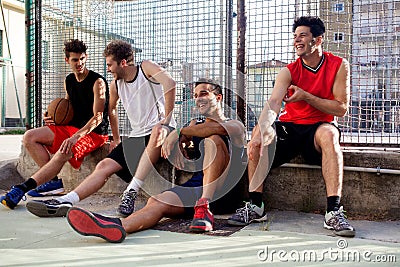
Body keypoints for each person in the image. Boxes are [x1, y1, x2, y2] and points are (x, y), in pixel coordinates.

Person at [65, 78, 246, 243]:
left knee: (212, 140)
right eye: (196, 95)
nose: (198, 99)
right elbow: (190, 138)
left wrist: (178, 132)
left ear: (219, 97)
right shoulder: (193, 127)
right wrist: (177, 143)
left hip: (223, 193)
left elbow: (217, 129)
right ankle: (118, 226)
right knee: (156, 201)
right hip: (196, 187)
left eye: (204, 94)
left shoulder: (235, 125)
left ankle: (204, 207)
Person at [227, 16, 356, 238]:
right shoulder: (288, 71)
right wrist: (260, 131)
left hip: (318, 128)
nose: (297, 40)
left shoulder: (339, 65)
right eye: (295, 36)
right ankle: (256, 206)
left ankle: (333, 212)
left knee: (330, 135)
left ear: (318, 39)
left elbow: (340, 108)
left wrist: (306, 96)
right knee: (258, 139)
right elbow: (274, 103)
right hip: (290, 127)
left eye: (303, 35)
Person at [25, 39, 176, 217]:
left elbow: (170, 83)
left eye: (110, 65)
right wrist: (117, 139)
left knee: (157, 131)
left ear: (123, 63)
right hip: (138, 136)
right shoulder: (116, 85)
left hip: (162, 131)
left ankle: (130, 192)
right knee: (104, 165)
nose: (108, 69)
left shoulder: (146, 67)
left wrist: (166, 121)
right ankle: (66, 200)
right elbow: (111, 110)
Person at [1, 39, 109, 209]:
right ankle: (53, 182)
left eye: (82, 59)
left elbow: (98, 117)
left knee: (64, 150)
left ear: (86, 57)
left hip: (93, 133)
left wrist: (74, 137)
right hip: (72, 128)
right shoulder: (69, 80)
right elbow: (67, 108)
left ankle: (22, 188)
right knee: (30, 136)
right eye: (75, 60)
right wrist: (52, 117)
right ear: (67, 61)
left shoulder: (98, 82)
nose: (79, 63)